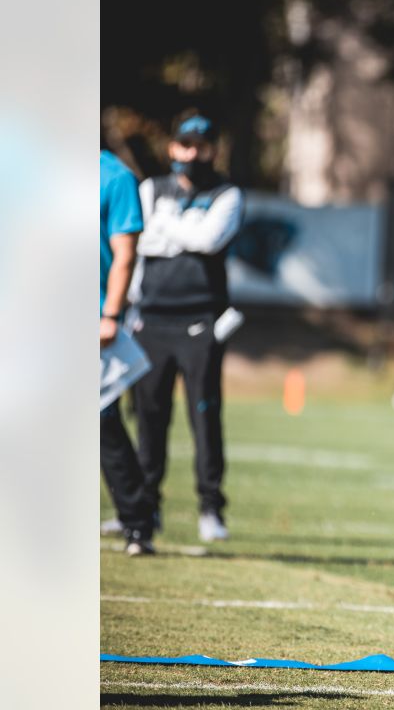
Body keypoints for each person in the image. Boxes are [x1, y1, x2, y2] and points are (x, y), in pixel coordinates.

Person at [130, 113, 244, 543]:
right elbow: (138, 241)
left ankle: (211, 508)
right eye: (184, 145)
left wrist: (167, 229)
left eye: (200, 146)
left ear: (213, 149)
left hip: (201, 321)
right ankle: (143, 507)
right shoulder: (151, 188)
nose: (191, 154)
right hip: (151, 318)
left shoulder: (227, 193)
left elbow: (209, 240)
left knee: (204, 415)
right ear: (172, 147)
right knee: (148, 416)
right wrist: (182, 231)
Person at [101, 147, 159, 557]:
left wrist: (110, 313)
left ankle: (138, 522)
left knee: (102, 419)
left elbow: (124, 253)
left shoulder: (114, 177)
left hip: (93, 316)